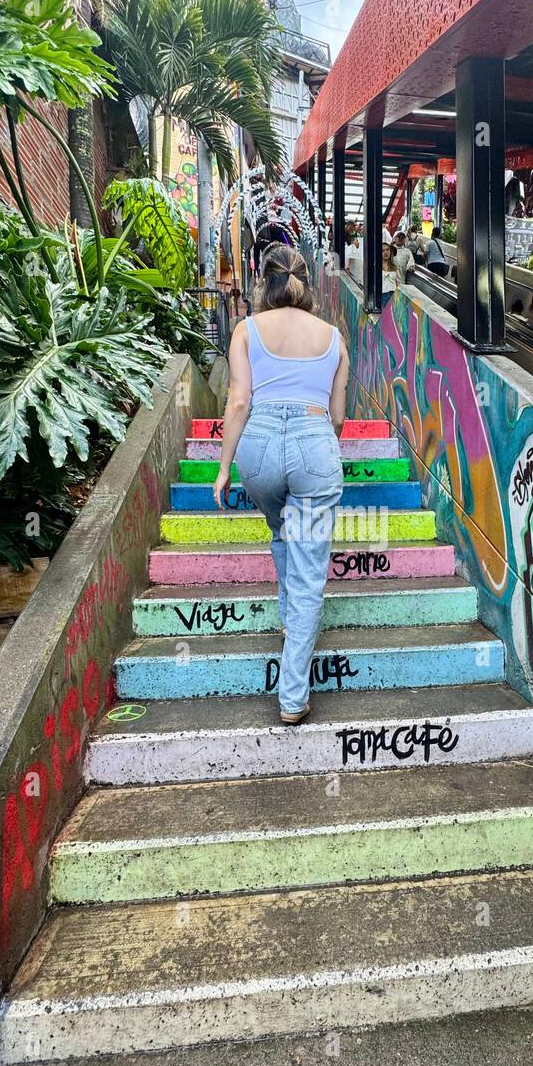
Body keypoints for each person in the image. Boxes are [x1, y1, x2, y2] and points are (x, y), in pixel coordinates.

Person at [214, 246, 350, 725]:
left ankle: (290, 620)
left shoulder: (246, 330)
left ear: (263, 281)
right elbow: (337, 417)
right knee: (310, 567)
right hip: (314, 441)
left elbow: (238, 401)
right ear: (305, 282)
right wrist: (316, 450)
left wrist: (225, 467)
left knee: (280, 529)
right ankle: (293, 697)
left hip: (260, 448)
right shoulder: (334, 337)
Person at [380, 241, 397, 309]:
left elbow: (396, 282)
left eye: (387, 249)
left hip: (393, 295)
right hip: (382, 295)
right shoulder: (376, 267)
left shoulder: (394, 266)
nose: (385, 252)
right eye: (383, 250)